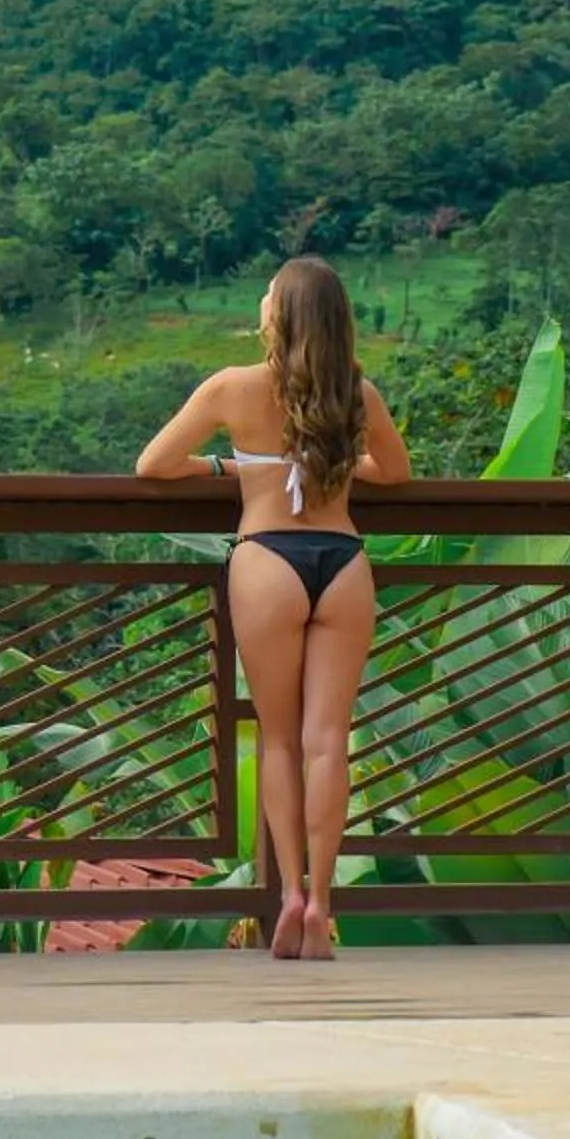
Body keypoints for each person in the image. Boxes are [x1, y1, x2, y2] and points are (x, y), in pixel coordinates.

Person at [135, 256, 410, 960]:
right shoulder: (356, 393)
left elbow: (154, 465)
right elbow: (395, 472)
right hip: (342, 563)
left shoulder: (232, 388)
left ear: (280, 315)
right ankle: (323, 904)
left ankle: (288, 893)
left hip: (268, 562)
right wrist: (327, 466)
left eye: (267, 295)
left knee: (280, 739)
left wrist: (232, 467)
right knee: (328, 740)